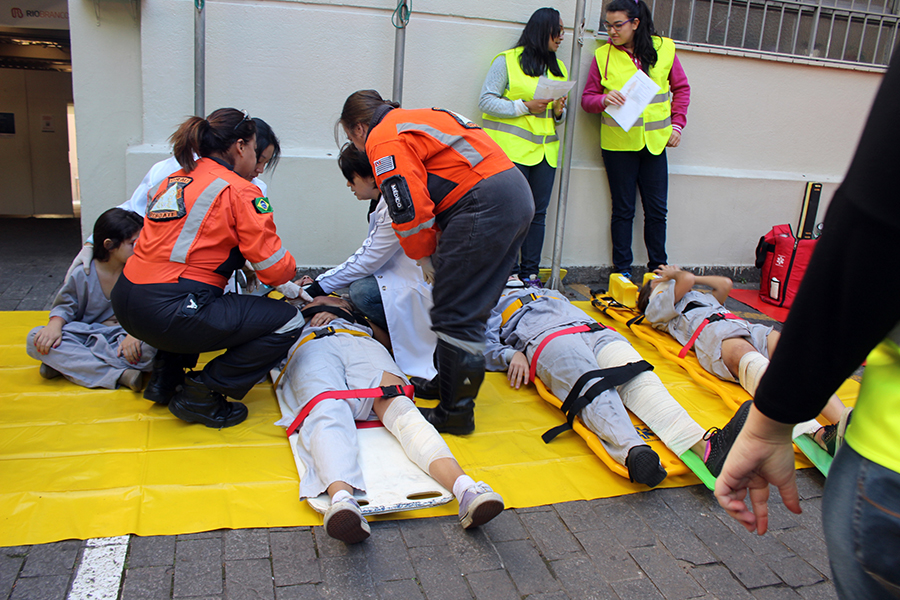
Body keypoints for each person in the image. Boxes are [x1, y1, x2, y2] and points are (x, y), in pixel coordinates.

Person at [714, 51, 900, 600]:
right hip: (714, 332)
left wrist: (770, 422)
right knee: (742, 352)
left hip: (890, 453)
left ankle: (826, 423)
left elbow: (874, 234)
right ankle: (825, 424)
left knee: (763, 344)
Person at [338, 90, 534, 435]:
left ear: (358, 128)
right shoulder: (417, 118)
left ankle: (456, 413)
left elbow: (407, 206)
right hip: (511, 194)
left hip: (484, 204)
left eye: (351, 138)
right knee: (459, 306)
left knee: (456, 313)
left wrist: (422, 254)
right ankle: (445, 383)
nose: (357, 147)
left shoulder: (383, 139)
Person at [110, 108, 305, 429]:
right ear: (241, 146)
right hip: (171, 312)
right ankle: (201, 393)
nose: (258, 167)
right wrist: (291, 275)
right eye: (256, 153)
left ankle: (165, 378)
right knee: (287, 321)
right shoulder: (239, 190)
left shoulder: (174, 180)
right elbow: (274, 269)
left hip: (127, 301)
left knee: (200, 299)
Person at [276, 295, 504, 544]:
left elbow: (387, 341)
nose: (316, 296)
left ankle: (467, 490)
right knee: (327, 408)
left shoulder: (356, 318)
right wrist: (301, 315)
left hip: (362, 345)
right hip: (312, 347)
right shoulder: (290, 316)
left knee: (400, 405)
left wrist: (349, 316)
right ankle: (343, 500)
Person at [484, 287, 750, 486]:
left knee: (639, 378)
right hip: (547, 337)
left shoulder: (546, 290)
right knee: (590, 386)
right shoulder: (486, 300)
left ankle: (706, 447)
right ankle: (632, 451)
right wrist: (510, 354)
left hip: (595, 330)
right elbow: (478, 344)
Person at [637, 265, 851, 453]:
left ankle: (845, 424)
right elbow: (686, 279)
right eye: (659, 281)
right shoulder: (655, 308)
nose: (665, 278)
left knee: (798, 355)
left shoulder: (697, 296)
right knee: (757, 364)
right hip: (713, 334)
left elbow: (725, 283)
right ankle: (818, 433)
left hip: (744, 326)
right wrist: (675, 275)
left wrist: (680, 276)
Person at [67, 118, 282, 281]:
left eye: (266, 163)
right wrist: (94, 242)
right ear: (241, 148)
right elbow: (134, 211)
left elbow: (252, 240)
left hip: (209, 281)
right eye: (259, 160)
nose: (260, 170)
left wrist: (249, 264)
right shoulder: (175, 172)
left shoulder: (254, 189)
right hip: (162, 278)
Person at [301, 143, 437, 380]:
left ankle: (392, 337)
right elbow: (368, 256)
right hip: (405, 278)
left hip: (422, 286)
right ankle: (382, 329)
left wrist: (316, 288)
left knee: (362, 292)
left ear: (371, 177)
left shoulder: (394, 205)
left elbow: (367, 260)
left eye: (351, 179)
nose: (348, 185)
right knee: (360, 288)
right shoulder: (381, 201)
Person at [581, 0, 690, 280]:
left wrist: (677, 125)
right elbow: (587, 99)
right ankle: (622, 272)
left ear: (635, 23)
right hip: (618, 145)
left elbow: (681, 89)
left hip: (655, 143)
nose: (611, 31)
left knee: (657, 211)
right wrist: (604, 99)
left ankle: (659, 270)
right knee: (623, 210)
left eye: (618, 25)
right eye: (607, 25)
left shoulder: (664, 48)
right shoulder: (603, 55)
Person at [479, 7, 568, 289]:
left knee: (538, 215)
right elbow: (486, 101)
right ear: (543, 30)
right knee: (512, 213)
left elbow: (556, 119)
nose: (562, 37)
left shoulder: (559, 67)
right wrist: (524, 106)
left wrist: (558, 112)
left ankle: (530, 275)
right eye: (558, 31)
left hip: (545, 154)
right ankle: (510, 272)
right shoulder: (506, 61)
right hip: (512, 152)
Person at [27, 208, 155, 391]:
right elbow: (65, 306)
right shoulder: (83, 273)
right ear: (109, 245)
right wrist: (54, 325)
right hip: (87, 335)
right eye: (133, 243)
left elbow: (151, 310)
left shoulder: (141, 272)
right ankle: (120, 374)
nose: (140, 247)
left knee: (150, 350)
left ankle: (67, 365)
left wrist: (135, 335)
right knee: (35, 338)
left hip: (122, 338)